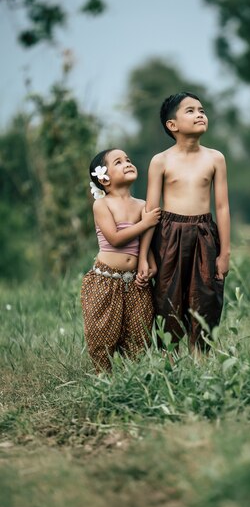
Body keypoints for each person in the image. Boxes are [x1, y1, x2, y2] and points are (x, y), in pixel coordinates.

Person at [138, 92, 230, 352]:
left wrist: (225, 252)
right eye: (190, 110)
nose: (200, 114)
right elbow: (150, 211)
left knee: (207, 297)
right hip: (169, 235)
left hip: (204, 234)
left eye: (202, 110)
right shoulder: (161, 161)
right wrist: (144, 256)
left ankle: (201, 361)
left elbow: (222, 207)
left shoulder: (215, 158)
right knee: (168, 297)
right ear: (172, 125)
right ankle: (171, 363)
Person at [81, 148, 161, 372]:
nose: (127, 163)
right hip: (106, 280)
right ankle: (103, 379)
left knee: (139, 333)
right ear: (103, 178)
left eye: (128, 159)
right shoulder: (102, 205)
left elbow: (145, 241)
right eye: (118, 162)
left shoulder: (142, 205)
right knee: (102, 332)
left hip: (136, 282)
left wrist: (150, 263)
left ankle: (133, 379)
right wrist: (145, 223)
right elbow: (115, 239)